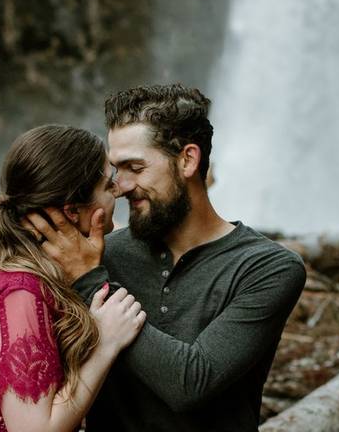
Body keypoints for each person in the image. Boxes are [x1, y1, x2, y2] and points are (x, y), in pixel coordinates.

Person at [28, 84, 308, 432]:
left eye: (135, 167)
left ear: (187, 160)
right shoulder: (101, 254)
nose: (121, 186)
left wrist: (89, 281)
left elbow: (191, 383)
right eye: (116, 170)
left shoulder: (267, 268)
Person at [0, 125, 146, 432]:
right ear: (72, 211)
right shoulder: (20, 290)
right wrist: (105, 343)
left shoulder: (22, 277)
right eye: (106, 184)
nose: (118, 190)